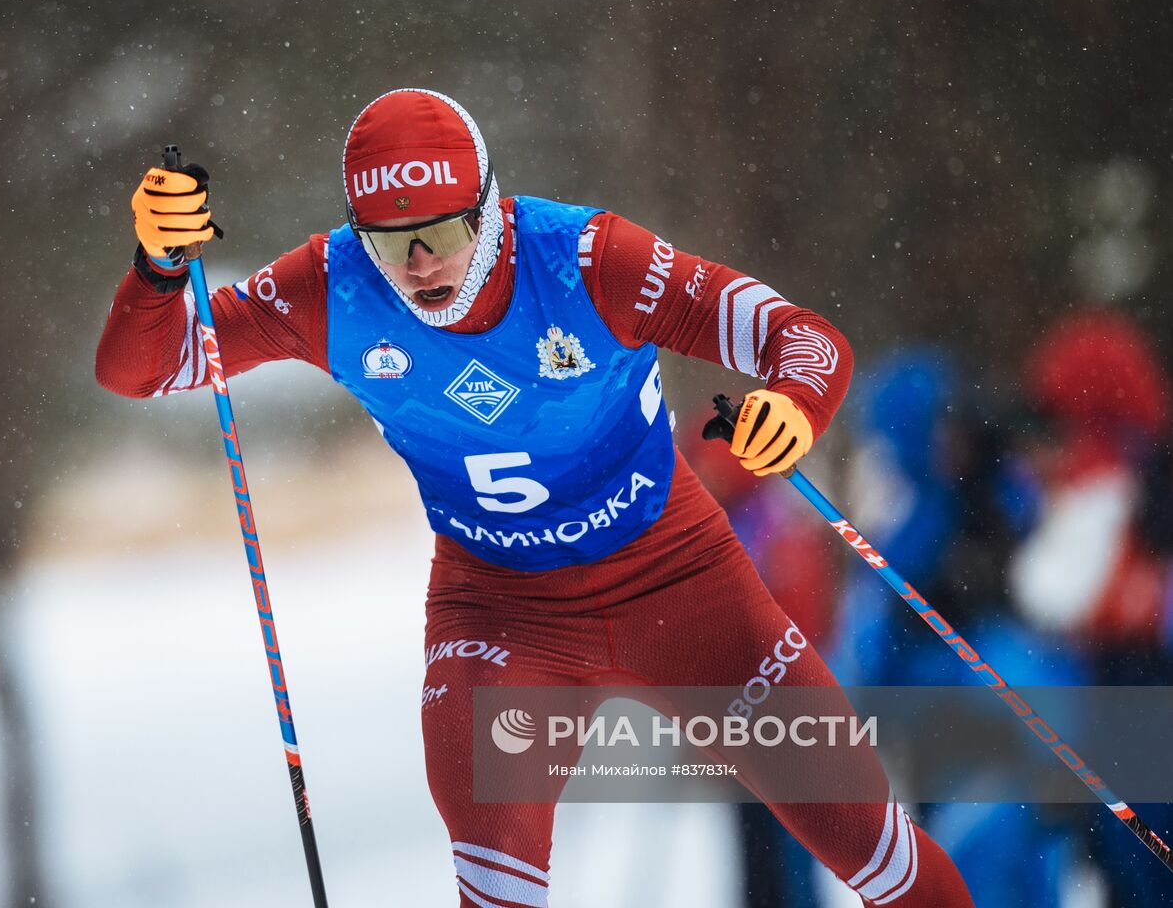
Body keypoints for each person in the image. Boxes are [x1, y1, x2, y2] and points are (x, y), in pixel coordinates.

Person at [96, 88, 973, 907]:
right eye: (389, 240)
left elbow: (799, 338)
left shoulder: (590, 261)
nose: (421, 264)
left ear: (491, 204)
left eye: (444, 230)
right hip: (500, 612)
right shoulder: (329, 286)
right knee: (497, 882)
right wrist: (159, 271)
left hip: (681, 584)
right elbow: (140, 368)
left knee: (877, 856)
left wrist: (792, 404)